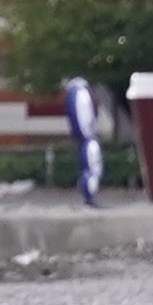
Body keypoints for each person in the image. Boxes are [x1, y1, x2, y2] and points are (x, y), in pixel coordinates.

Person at [65, 74, 104, 208]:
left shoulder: (72, 93)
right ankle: (89, 195)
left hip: (84, 137)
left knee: (89, 165)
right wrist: (88, 132)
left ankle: (89, 195)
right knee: (93, 166)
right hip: (87, 136)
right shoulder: (80, 93)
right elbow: (85, 116)